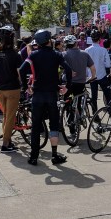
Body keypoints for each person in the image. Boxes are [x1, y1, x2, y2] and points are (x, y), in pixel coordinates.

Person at [27, 29, 72, 165]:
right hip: (52, 94)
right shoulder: (56, 54)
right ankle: (54, 154)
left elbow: (22, 69)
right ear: (49, 41)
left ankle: (34, 156)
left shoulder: (33, 55)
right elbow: (68, 70)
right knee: (53, 125)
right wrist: (67, 86)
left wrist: (26, 87)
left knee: (36, 126)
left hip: (38, 94)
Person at [0, 26, 24, 152]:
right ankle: (5, 144)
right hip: (13, 88)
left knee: (6, 115)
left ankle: (8, 142)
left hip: (0, 88)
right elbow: (19, 73)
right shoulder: (15, 55)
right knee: (10, 117)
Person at [62, 35, 96, 131]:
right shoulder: (84, 54)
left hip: (67, 83)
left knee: (68, 103)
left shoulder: (63, 54)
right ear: (76, 43)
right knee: (79, 100)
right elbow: (93, 68)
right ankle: (79, 115)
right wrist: (92, 77)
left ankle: (71, 124)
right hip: (81, 83)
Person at [85, 31, 111, 111]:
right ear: (100, 39)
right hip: (102, 75)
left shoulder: (87, 50)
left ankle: (95, 115)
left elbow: (86, 65)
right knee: (108, 95)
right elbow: (108, 65)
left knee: (94, 97)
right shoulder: (103, 50)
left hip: (92, 76)